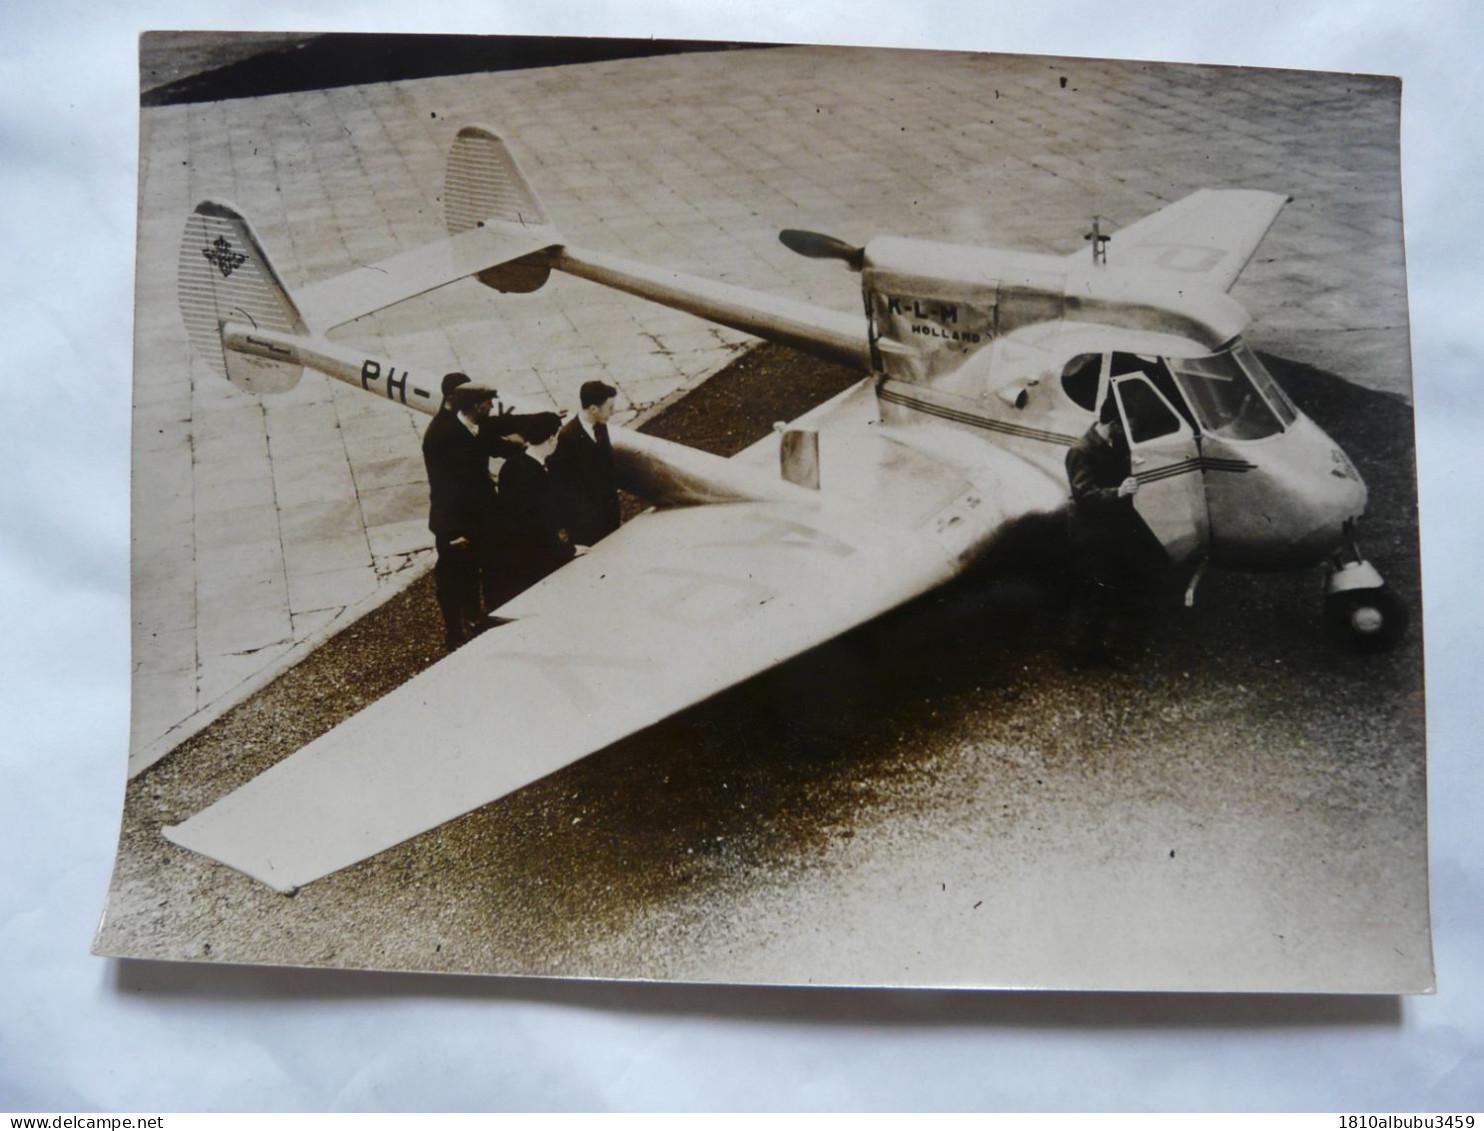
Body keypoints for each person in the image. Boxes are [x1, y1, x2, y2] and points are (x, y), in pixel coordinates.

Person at [1063, 394, 1159, 661]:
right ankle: (1078, 653)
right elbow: (1085, 495)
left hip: (1108, 530)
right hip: (1090, 533)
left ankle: (1096, 646)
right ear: (1114, 422)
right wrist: (1119, 492)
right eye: (1126, 423)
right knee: (1092, 592)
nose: (1130, 429)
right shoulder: (1080, 450)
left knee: (1108, 589)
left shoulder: (1112, 442)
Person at [488, 414, 577, 609]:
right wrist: (569, 551)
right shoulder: (532, 473)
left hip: (521, 554)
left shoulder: (514, 465)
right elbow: (537, 526)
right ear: (552, 438)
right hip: (530, 561)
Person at [549, 379, 621, 547]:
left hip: (608, 513)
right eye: (609, 408)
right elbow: (562, 484)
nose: (613, 412)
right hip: (586, 523)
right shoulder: (568, 436)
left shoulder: (600, 426)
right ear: (593, 409)